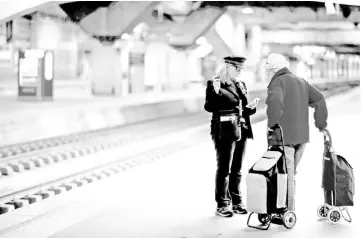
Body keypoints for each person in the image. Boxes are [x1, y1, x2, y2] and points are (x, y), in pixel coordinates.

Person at [264, 53, 328, 214]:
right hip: (302, 138)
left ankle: (287, 212)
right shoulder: (301, 81)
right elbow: (319, 99)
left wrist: (272, 124)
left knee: (286, 175)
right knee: (289, 174)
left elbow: (275, 103)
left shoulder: (277, 82)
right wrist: (320, 124)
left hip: (283, 138)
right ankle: (284, 208)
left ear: (273, 70)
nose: (266, 75)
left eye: (267, 71)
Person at [204, 56, 259, 217]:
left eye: (241, 69)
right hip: (224, 130)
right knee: (224, 168)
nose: (240, 72)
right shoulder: (215, 83)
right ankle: (222, 204)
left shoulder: (240, 84)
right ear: (228, 67)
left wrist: (251, 107)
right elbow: (209, 106)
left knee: (237, 168)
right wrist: (215, 92)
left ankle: (237, 201)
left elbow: (243, 109)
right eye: (237, 69)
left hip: (240, 129)